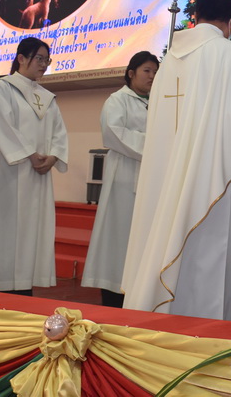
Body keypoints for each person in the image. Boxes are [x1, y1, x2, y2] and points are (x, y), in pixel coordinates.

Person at [121, 0, 231, 320]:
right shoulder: (230, 54)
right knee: (208, 257)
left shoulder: (169, 62)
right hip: (211, 179)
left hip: (165, 177)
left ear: (195, 16)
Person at [0, 37, 68, 295]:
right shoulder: (3, 88)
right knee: (6, 229)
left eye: (46, 60)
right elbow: (0, 125)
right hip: (10, 173)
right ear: (21, 58)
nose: (43, 64)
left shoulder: (47, 97)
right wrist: (29, 154)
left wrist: (53, 157)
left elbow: (59, 133)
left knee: (33, 229)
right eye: (38, 58)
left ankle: (25, 285)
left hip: (38, 175)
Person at [81, 51, 159, 307]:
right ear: (131, 73)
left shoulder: (160, 102)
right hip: (123, 178)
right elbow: (113, 132)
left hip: (150, 179)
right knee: (118, 238)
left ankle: (140, 295)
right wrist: (156, 144)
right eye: (147, 70)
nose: (152, 76)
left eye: (155, 71)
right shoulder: (117, 100)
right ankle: (114, 295)